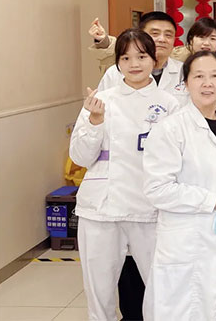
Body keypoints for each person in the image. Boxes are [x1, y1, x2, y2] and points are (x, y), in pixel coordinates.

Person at [142, 51, 216, 321]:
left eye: (215, 76)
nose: (207, 83)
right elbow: (157, 189)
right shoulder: (170, 129)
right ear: (185, 83)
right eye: (198, 76)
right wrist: (212, 200)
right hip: (187, 243)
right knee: (186, 310)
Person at [69, 29, 179, 320]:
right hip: (101, 208)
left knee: (161, 290)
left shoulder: (169, 104)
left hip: (150, 208)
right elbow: (80, 157)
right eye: (126, 58)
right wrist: (95, 122)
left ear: (154, 59)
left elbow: (179, 158)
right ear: (117, 62)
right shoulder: (101, 101)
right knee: (99, 293)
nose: (134, 64)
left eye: (141, 56)